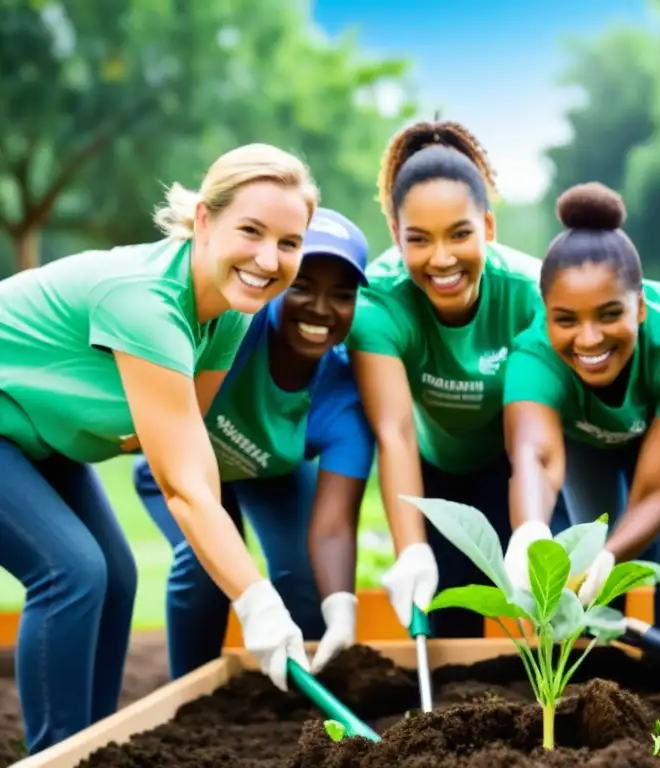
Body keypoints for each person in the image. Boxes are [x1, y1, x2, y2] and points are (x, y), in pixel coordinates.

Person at [0, 143, 320, 753]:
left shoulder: (231, 310)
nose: (267, 258)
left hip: (38, 430)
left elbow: (186, 437)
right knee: (71, 572)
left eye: (288, 242)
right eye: (249, 231)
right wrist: (256, 597)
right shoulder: (144, 299)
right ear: (203, 220)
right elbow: (183, 487)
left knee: (116, 575)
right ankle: (54, 754)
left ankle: (89, 747)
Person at [502, 182, 660, 641]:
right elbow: (535, 460)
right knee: (589, 539)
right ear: (545, 315)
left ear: (639, 308)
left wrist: (612, 557)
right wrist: (529, 531)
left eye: (608, 315)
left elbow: (657, 494)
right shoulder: (532, 355)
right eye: (566, 320)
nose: (588, 339)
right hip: (598, 433)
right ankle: (597, 662)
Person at [345, 119, 570, 638]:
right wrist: (412, 549)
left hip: (513, 464)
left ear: (488, 229)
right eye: (419, 240)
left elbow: (531, 432)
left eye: (460, 234)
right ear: (397, 237)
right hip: (433, 473)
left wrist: (531, 527)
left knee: (549, 626)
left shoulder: (529, 294)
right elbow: (395, 432)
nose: (442, 258)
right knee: (449, 634)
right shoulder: (377, 302)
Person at [131, 207, 376, 681]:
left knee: (304, 574)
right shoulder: (236, 329)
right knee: (205, 566)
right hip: (184, 467)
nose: (322, 308)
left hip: (270, 474)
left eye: (342, 295)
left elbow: (332, 528)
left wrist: (341, 612)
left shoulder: (344, 395)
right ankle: (191, 696)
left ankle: (301, 696)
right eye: (302, 286)